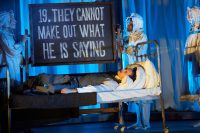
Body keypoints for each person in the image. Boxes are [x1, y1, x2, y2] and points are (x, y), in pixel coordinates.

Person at [0, 11, 27, 85]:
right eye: (13, 19)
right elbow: (12, 52)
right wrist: (22, 42)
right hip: (7, 75)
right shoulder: (3, 36)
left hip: (14, 73)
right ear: (7, 21)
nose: (15, 21)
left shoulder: (9, 35)